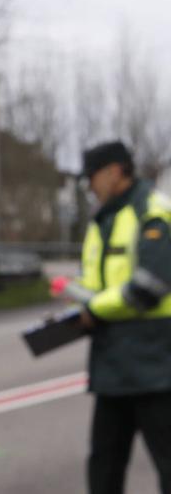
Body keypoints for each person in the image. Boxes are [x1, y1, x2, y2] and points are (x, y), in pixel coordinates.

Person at [72, 139, 171, 493]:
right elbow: (97, 283)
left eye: (92, 178)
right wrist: (75, 309)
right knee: (104, 468)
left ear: (115, 172)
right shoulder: (105, 218)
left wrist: (93, 309)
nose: (89, 187)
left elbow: (149, 285)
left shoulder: (153, 211)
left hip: (157, 367)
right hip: (114, 365)